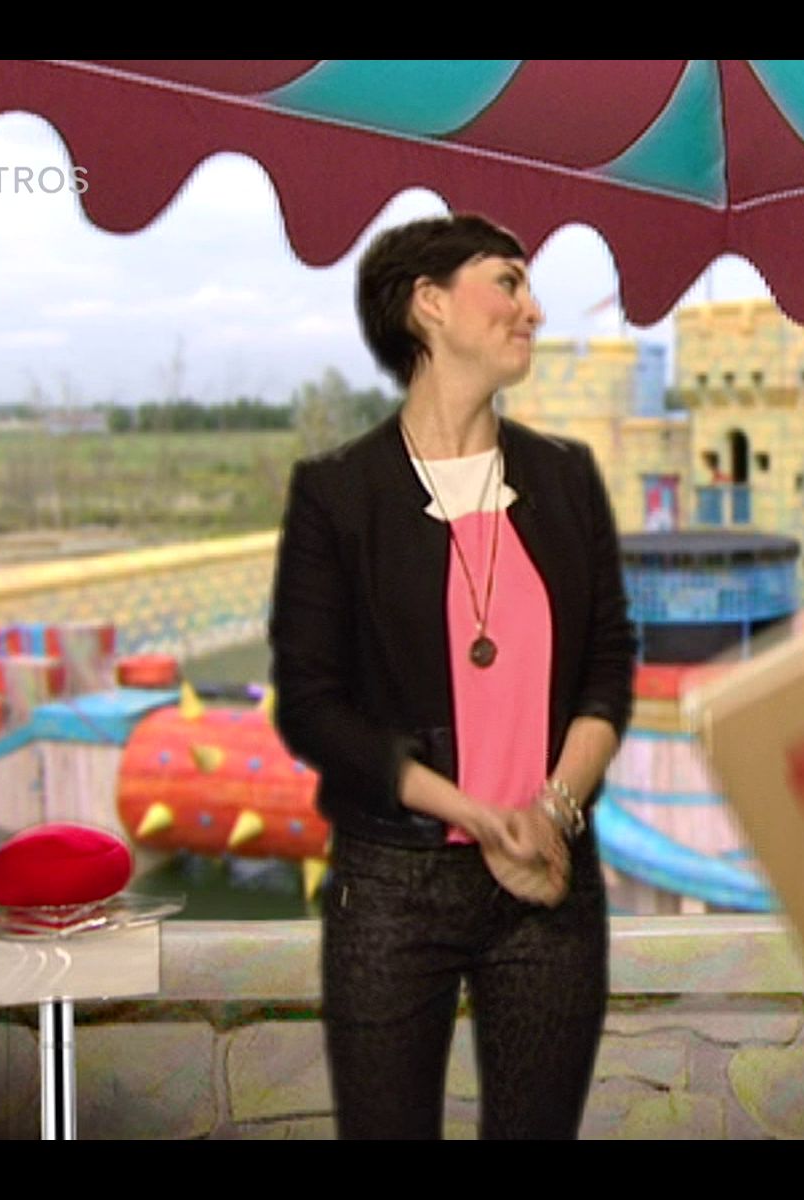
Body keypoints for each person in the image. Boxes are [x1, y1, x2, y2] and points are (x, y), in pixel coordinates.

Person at [268, 213, 636, 1139]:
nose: (533, 309)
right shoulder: (338, 493)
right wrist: (474, 813)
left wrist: (551, 813)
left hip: (549, 878)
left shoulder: (566, 476)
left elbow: (607, 667)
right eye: (508, 282)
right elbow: (312, 708)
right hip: (394, 884)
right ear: (429, 304)